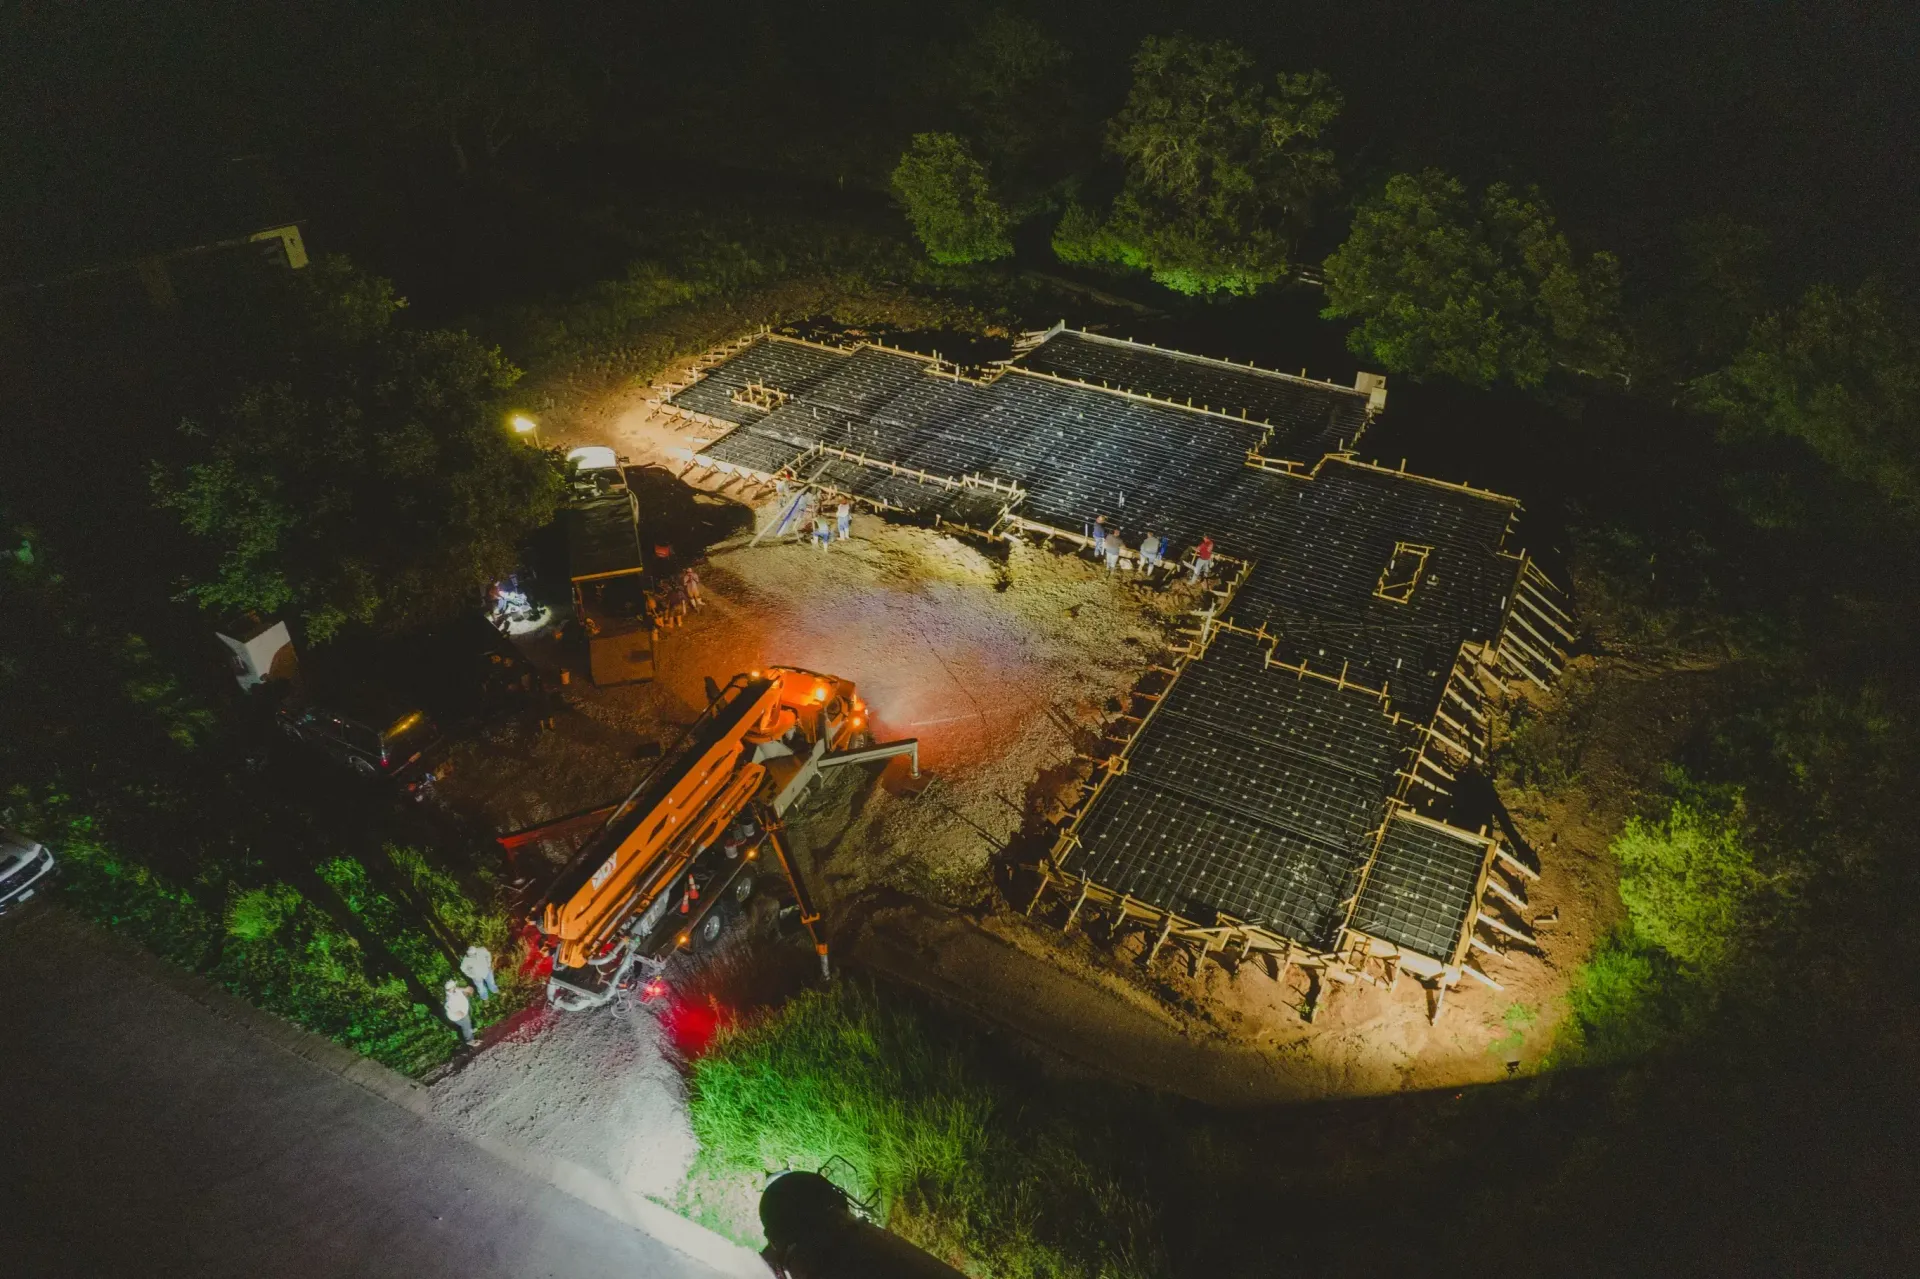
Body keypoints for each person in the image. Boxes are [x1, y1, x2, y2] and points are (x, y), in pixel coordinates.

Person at [444, 978, 476, 1046]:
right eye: (454, 986)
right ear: (450, 989)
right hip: (459, 1016)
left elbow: (458, 989)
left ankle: (469, 1031)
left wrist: (465, 989)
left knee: (468, 1023)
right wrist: (462, 1014)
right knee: (466, 1026)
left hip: (464, 1011)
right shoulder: (450, 999)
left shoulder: (453, 990)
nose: (455, 987)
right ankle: (469, 1040)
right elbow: (451, 1009)